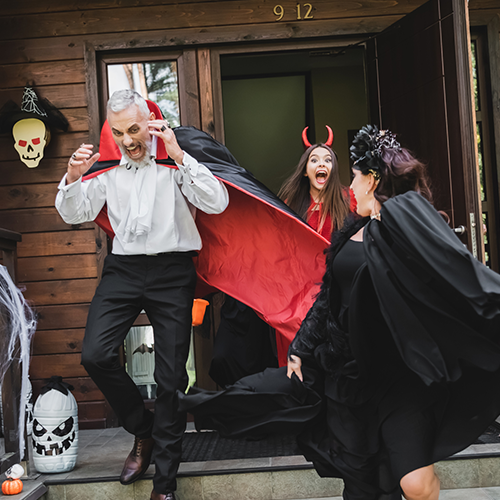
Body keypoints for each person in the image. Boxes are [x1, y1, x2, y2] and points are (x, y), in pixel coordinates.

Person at [180, 124, 500, 500]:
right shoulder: (351, 231)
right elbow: (328, 296)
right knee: (362, 479)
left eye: (355, 176)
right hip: (348, 375)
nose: (350, 186)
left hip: (400, 376)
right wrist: (301, 344)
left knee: (416, 483)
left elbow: (458, 269)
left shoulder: (405, 222)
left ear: (373, 181)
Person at [55, 89, 229, 500]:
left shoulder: (174, 158)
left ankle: (165, 486)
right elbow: (74, 212)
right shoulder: (109, 165)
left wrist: (180, 155)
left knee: (170, 381)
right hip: (124, 269)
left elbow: (217, 202)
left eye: (134, 129)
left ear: (149, 122)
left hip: (172, 271)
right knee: (95, 354)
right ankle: (142, 430)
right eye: (119, 133)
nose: (128, 140)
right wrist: (73, 176)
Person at [278, 126, 355, 240]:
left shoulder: (349, 198)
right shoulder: (291, 204)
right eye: (314, 160)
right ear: (305, 171)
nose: (321, 164)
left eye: (327, 160)